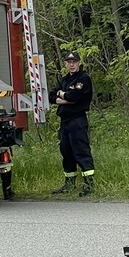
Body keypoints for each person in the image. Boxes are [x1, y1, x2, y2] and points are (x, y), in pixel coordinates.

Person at [51, 50, 96, 196]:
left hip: (78, 120)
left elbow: (76, 96)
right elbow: (52, 96)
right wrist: (65, 98)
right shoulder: (64, 79)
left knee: (81, 152)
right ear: (66, 64)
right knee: (66, 152)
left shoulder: (83, 79)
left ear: (79, 63)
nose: (71, 65)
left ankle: (89, 184)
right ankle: (69, 184)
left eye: (74, 62)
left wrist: (62, 95)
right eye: (69, 62)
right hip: (65, 121)